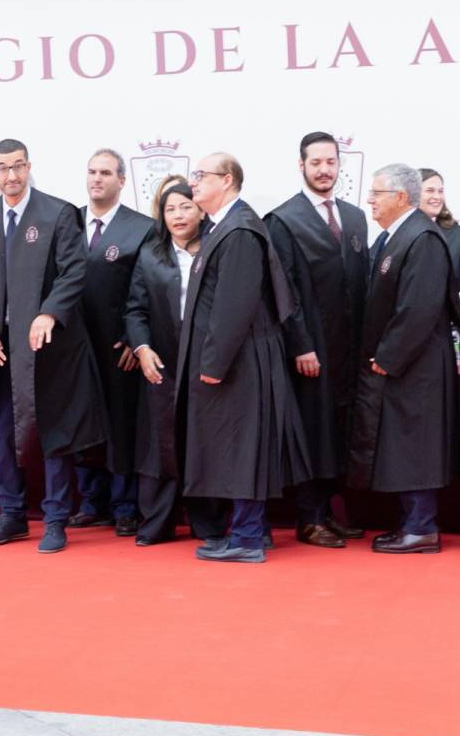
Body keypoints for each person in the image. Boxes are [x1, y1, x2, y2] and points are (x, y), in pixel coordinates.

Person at [0, 138, 108, 554]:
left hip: (49, 348)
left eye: (18, 166)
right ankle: (11, 514)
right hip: (2, 348)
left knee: (52, 432)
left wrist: (49, 313)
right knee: (4, 432)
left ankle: (56, 518)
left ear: (29, 167)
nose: (11, 175)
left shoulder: (57, 213)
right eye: (2, 168)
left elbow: (74, 271)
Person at [180, 153, 311, 563]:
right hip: (235, 360)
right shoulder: (225, 226)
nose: (193, 182)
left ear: (227, 180)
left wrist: (213, 364)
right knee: (235, 447)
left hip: (239, 362)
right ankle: (251, 531)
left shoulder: (239, 231)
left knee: (243, 448)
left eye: (201, 175)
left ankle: (248, 537)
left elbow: (233, 307)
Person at [264, 132, 369, 548]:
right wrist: (300, 345)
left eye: (331, 162)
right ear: (301, 165)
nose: (324, 170)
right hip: (310, 349)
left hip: (349, 349)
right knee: (311, 431)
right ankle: (308, 518)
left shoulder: (355, 217)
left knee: (337, 431)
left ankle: (328, 513)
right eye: (316, 163)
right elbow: (283, 290)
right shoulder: (283, 220)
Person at [348, 164, 460, 554]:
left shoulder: (422, 238)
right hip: (402, 364)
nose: (369, 200)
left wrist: (389, 356)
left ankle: (421, 527)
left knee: (416, 444)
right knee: (402, 444)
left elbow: (419, 307)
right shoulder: (398, 236)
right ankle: (411, 524)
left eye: (376, 193)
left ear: (400, 197)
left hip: (416, 365)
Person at [125, 182, 212, 545]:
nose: (178, 215)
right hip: (162, 361)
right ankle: (157, 523)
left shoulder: (216, 248)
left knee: (204, 441)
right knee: (160, 442)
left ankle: (208, 523)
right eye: (170, 209)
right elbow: (135, 310)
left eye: (186, 207)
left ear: (202, 211)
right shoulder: (150, 255)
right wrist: (142, 348)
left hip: (206, 362)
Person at [71, 148, 152, 537]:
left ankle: (124, 506)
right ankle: (91, 502)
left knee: (121, 425)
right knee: (79, 422)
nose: (97, 179)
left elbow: (147, 289)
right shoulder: (67, 222)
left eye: (105, 173)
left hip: (119, 348)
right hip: (74, 347)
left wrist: (134, 340)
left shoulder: (142, 228)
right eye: (92, 172)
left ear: (122, 180)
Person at [419, 168, 460, 358]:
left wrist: (459, 307)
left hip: (453, 334)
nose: (437, 196)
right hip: (412, 336)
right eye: (430, 190)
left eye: (440, 191)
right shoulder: (398, 234)